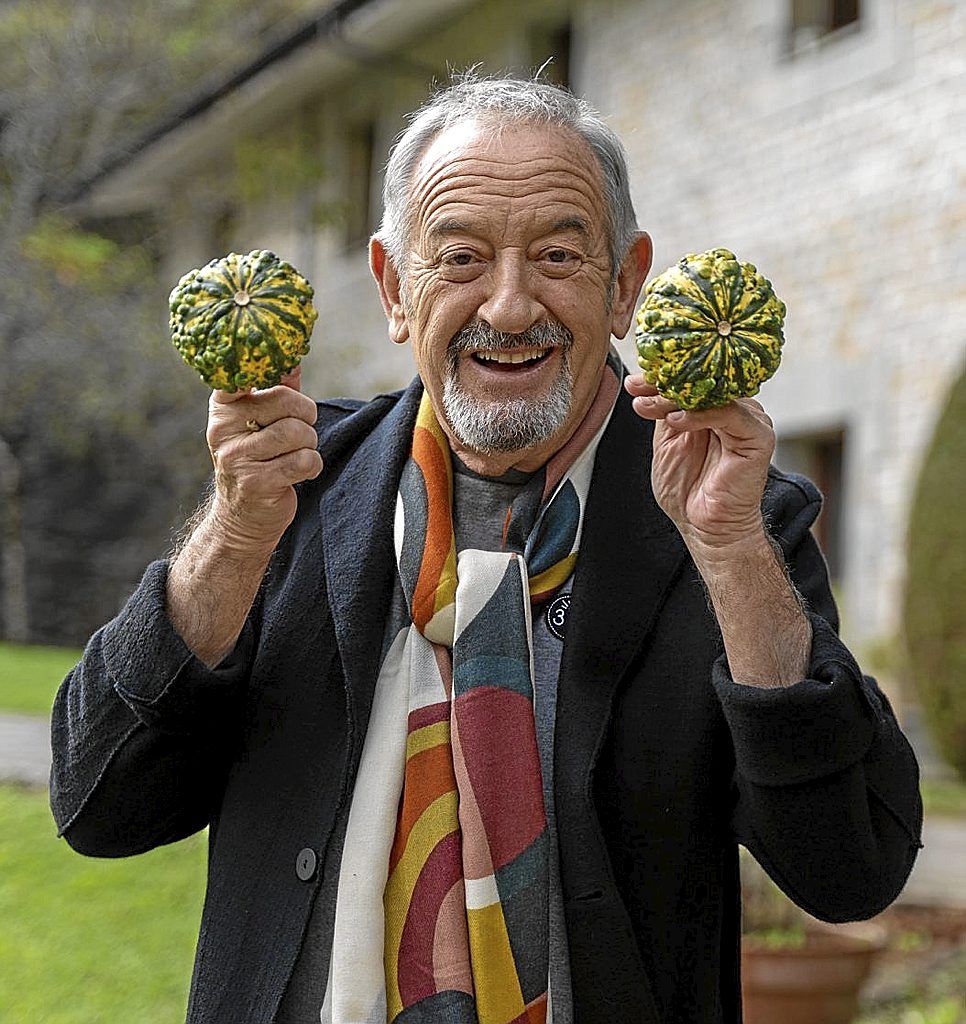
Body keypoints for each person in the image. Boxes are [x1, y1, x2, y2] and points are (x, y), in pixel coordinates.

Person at [50, 74, 922, 1024]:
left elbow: (852, 870)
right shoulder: (293, 493)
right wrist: (232, 538)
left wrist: (730, 554)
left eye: (557, 254)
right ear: (392, 286)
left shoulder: (732, 520)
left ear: (627, 282)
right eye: (460, 257)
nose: (509, 308)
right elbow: (100, 806)